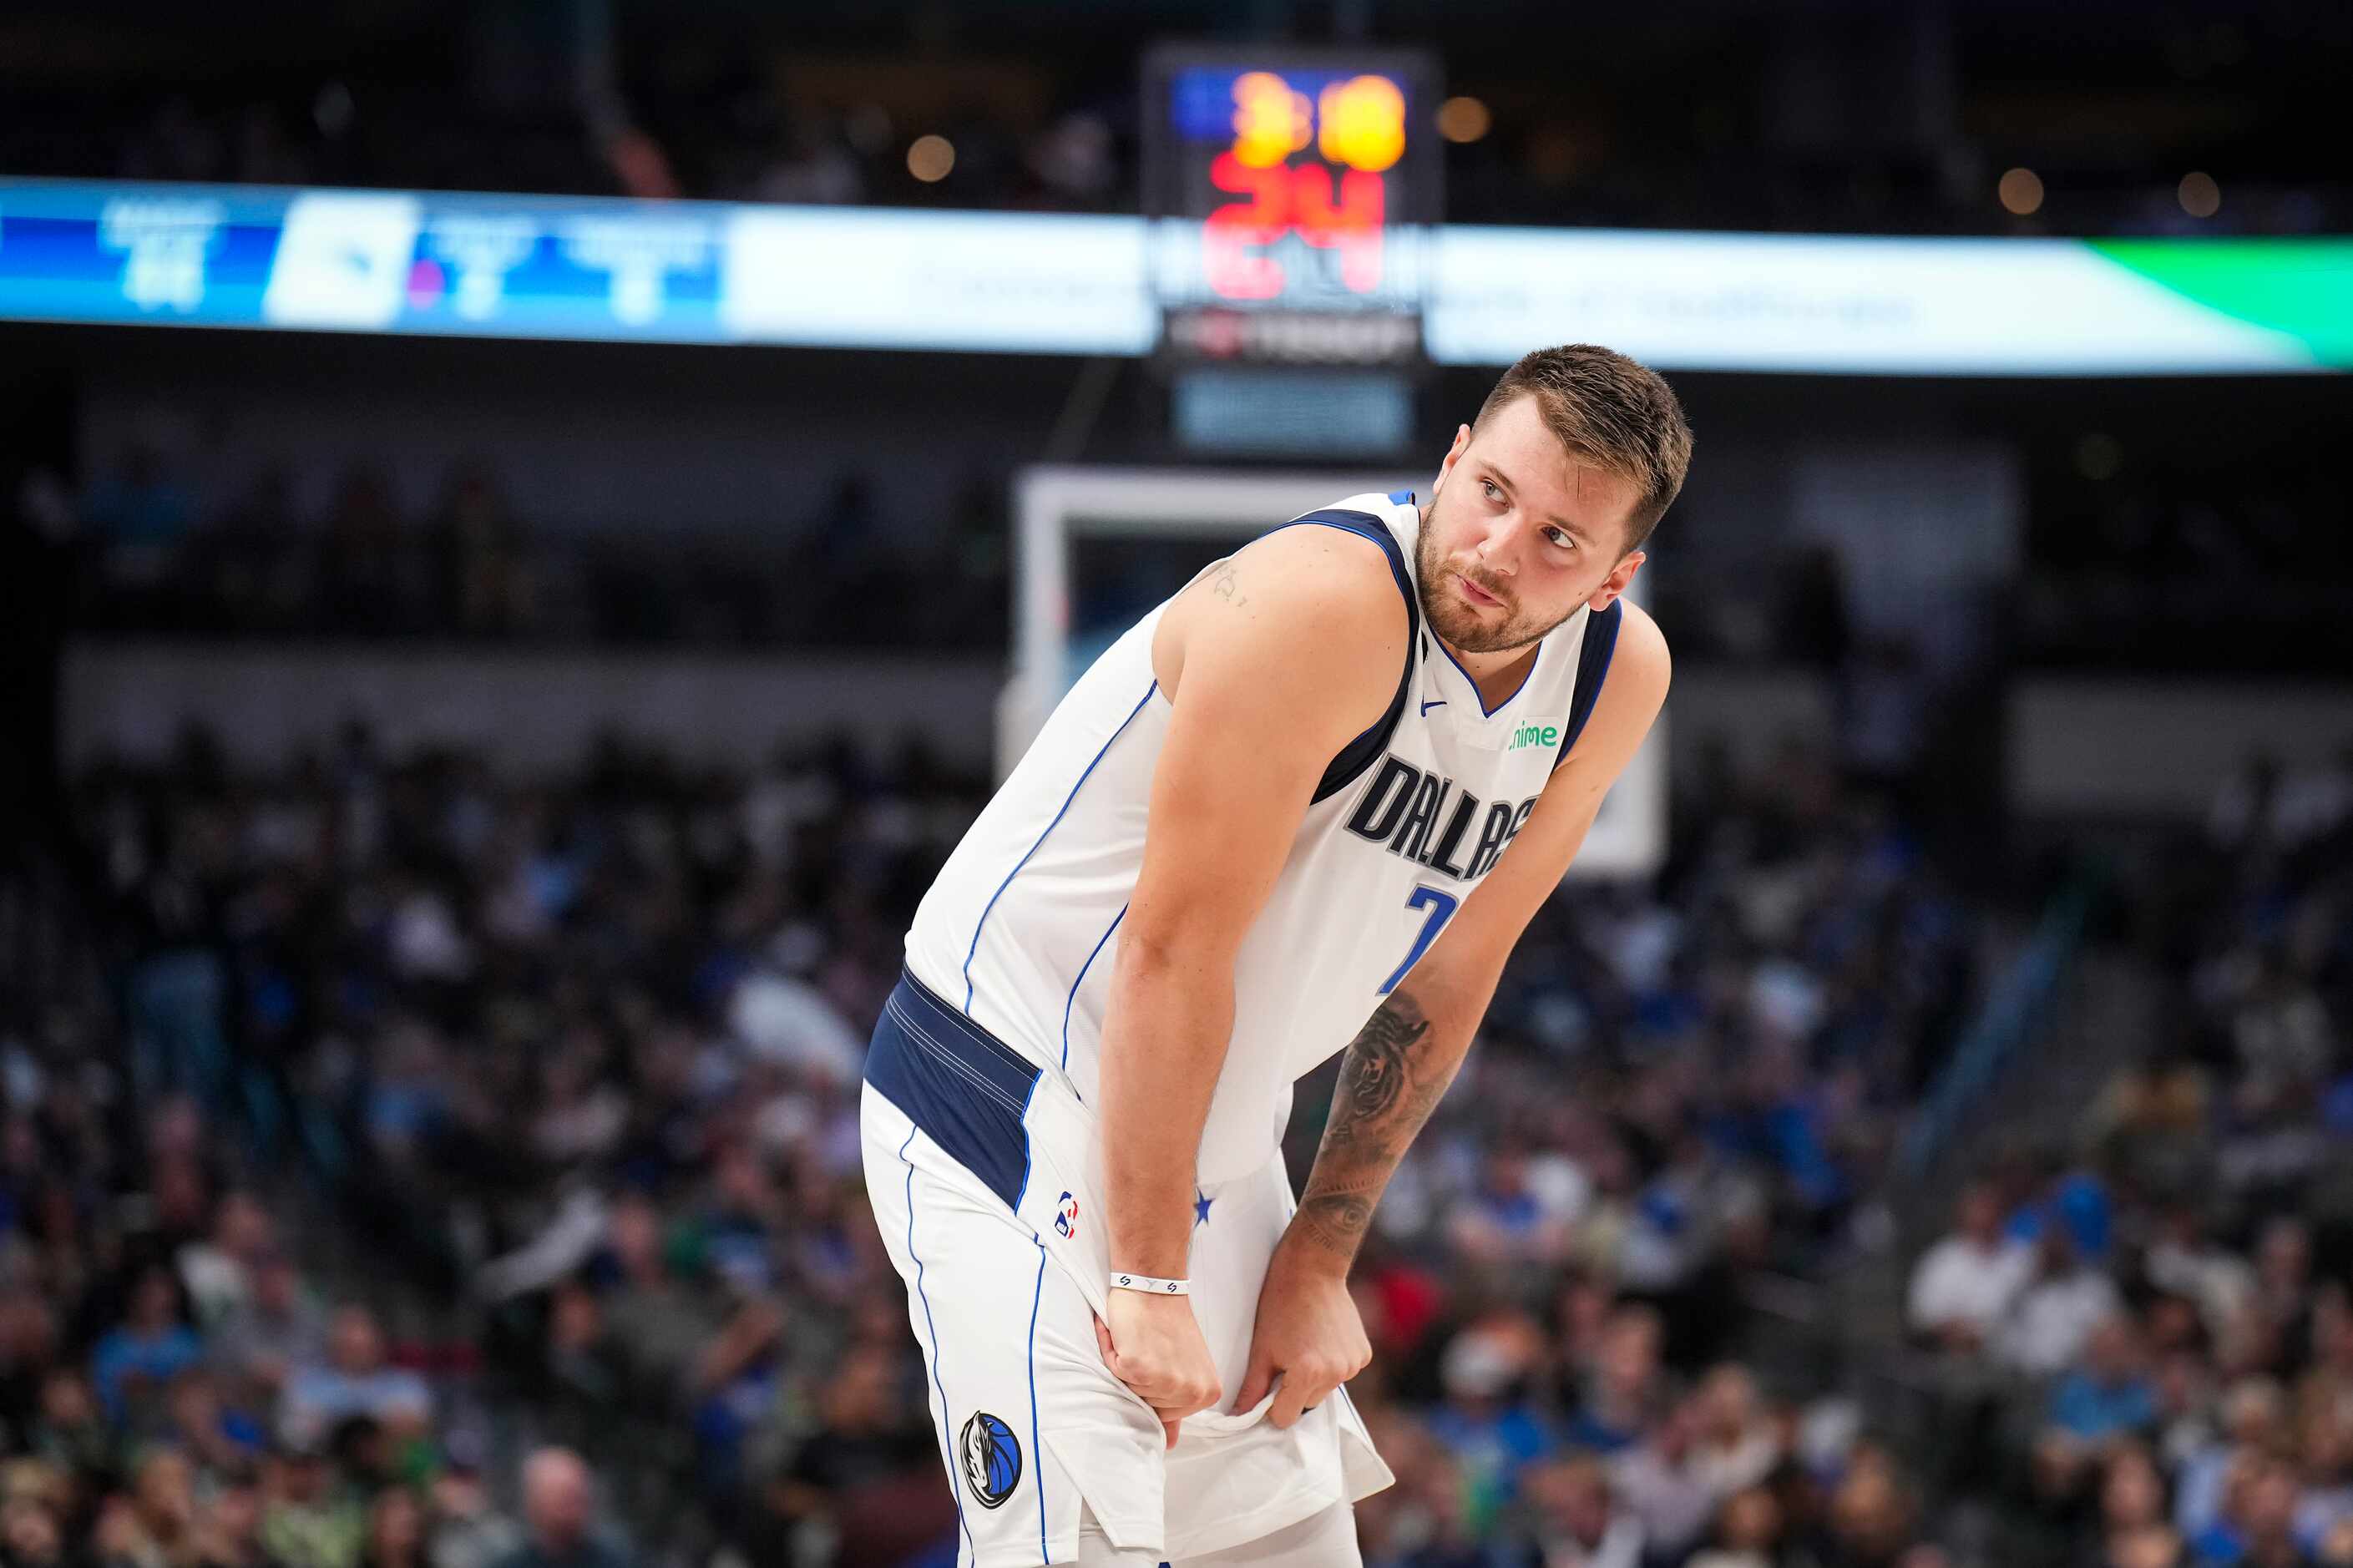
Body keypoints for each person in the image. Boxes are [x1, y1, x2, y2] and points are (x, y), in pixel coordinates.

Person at [860, 344, 1689, 1566]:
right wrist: (1146, 1283)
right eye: (1493, 494)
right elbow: (1171, 950)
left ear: (1615, 574)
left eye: (1558, 539)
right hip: (1011, 1089)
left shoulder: (1614, 677)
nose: (1499, 548)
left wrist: (1317, 1253)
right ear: (1454, 457)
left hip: (1213, 1135)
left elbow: (1451, 972)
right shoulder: (1321, 604)